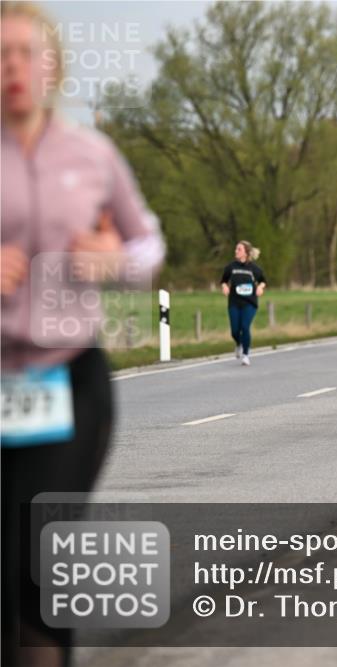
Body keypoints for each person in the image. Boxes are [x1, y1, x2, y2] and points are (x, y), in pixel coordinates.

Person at [1, 4, 165, 665]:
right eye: (1, 55)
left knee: (37, 560)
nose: (13, 67)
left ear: (54, 69)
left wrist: (116, 259)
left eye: (26, 54)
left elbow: (146, 244)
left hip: (67, 377)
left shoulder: (92, 155)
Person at [221, 240, 266, 366]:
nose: (236, 251)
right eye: (236, 249)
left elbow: (263, 280)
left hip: (249, 303)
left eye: (239, 249)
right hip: (234, 302)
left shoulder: (254, 268)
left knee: (245, 327)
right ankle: (239, 343)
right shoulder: (231, 267)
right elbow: (224, 280)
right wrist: (224, 286)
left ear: (246, 253)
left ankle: (246, 355)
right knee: (235, 331)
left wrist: (260, 287)